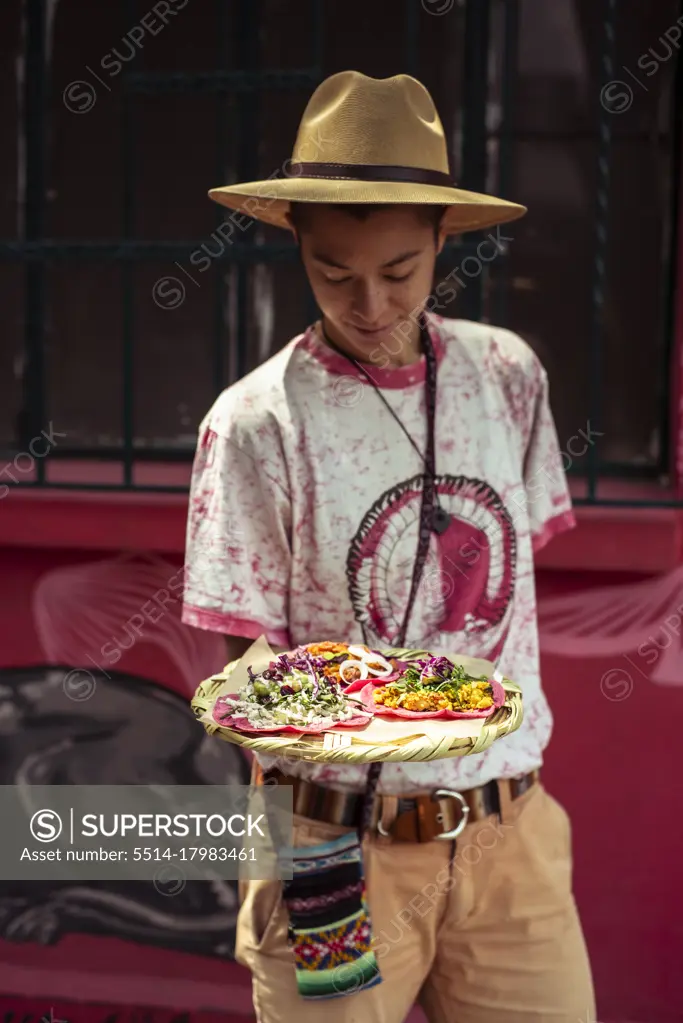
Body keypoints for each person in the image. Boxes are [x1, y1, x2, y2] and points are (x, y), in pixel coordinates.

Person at [182, 71, 595, 1023]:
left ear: (443, 241)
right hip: (329, 844)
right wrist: (264, 692)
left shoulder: (507, 375)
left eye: (399, 271)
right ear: (296, 243)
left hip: (509, 834)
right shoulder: (254, 423)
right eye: (335, 272)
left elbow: (507, 594)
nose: (368, 301)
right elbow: (246, 652)